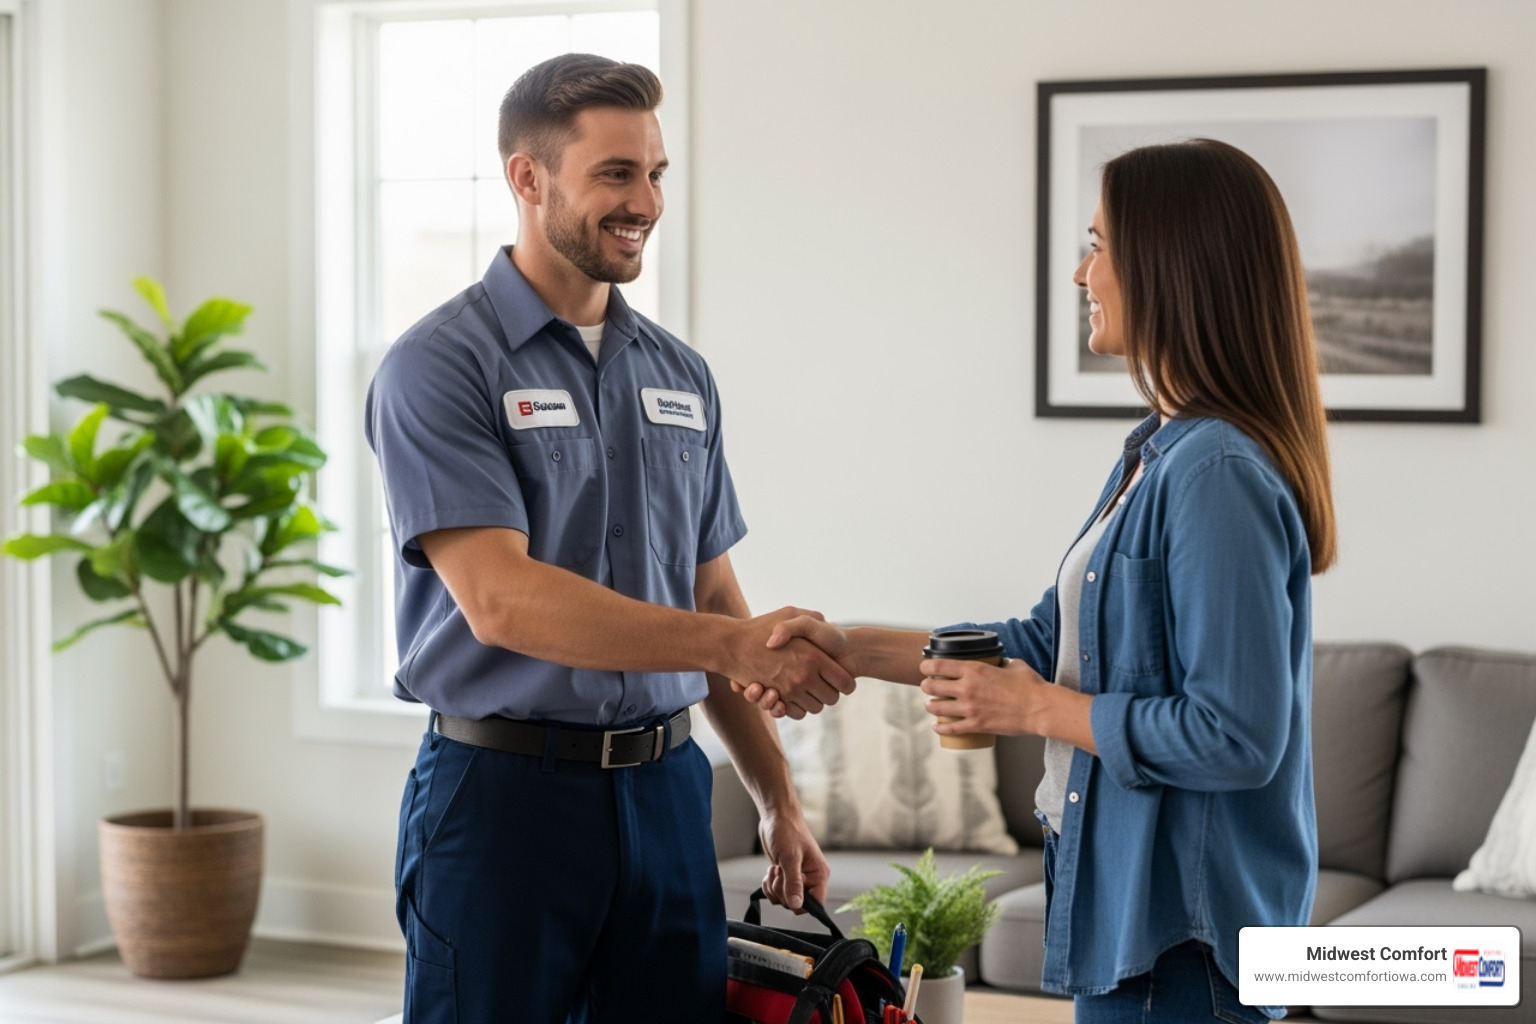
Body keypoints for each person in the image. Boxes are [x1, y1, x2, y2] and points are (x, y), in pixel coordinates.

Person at [747, 138, 1336, 1022]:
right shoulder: (1157, 451)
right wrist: (850, 647)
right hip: (1134, 926)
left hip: (1188, 943)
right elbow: (1037, 646)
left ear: (1171, 267)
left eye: (1099, 246)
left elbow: (1237, 735)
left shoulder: (1214, 470)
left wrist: (1030, 710)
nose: (1079, 273)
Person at [364, 53, 854, 1024]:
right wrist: (731, 646)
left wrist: (776, 795)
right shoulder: (438, 367)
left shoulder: (681, 375)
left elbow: (715, 599)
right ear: (527, 178)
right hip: (503, 799)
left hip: (669, 796)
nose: (645, 202)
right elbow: (502, 599)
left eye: (656, 173)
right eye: (616, 174)